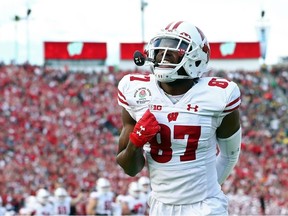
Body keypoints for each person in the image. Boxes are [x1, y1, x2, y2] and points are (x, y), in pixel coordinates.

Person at [116, 20, 242, 216]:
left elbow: (229, 155)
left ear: (197, 57)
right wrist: (135, 143)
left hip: (207, 207)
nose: (163, 54)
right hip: (161, 207)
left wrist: (204, 193)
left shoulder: (219, 96)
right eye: (160, 48)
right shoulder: (135, 91)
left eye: (176, 47)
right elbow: (130, 168)